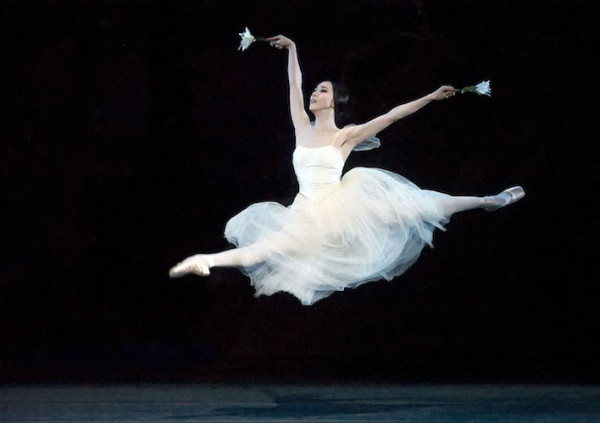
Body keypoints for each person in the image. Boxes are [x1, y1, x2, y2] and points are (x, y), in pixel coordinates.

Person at [169, 35, 525, 305]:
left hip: (344, 205)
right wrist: (292, 49)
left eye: (321, 91)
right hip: (304, 213)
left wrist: (430, 97)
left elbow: (392, 115)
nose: (313, 94)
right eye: (314, 90)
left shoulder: (346, 136)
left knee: (417, 204)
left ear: (334, 101)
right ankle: (204, 260)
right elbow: (294, 83)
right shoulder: (301, 127)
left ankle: (488, 201)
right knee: (262, 249)